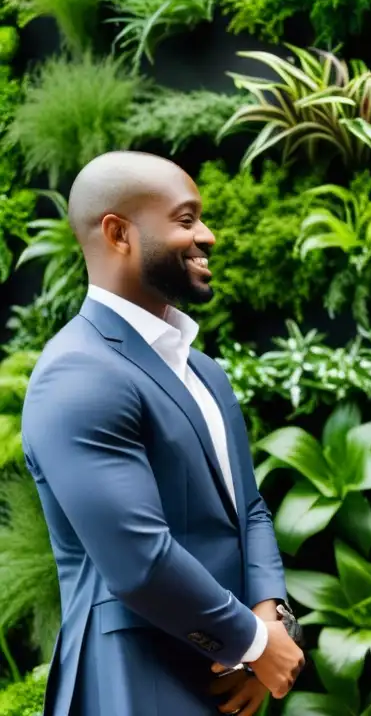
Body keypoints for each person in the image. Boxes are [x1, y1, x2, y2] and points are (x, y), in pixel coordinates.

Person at [20, 151, 305, 716]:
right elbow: (139, 559)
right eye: (185, 219)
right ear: (118, 233)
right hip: (134, 680)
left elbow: (248, 509)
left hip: (229, 679)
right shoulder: (79, 371)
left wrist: (270, 623)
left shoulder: (203, 370)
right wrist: (251, 643)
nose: (208, 235)